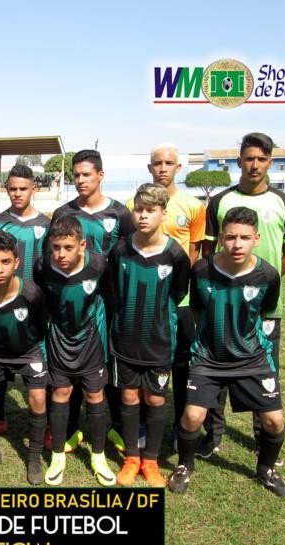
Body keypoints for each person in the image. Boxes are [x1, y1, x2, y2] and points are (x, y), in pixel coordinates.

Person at [168, 206, 285, 497]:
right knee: (192, 416)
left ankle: (266, 469)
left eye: (245, 238)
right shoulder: (202, 270)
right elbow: (197, 308)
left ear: (256, 239)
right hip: (208, 358)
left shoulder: (268, 275)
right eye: (231, 237)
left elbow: (264, 311)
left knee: (274, 421)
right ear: (221, 238)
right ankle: (185, 466)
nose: (238, 244)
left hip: (252, 357)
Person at [201, 132, 285, 460]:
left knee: (265, 371)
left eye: (261, 159)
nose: (255, 165)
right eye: (249, 159)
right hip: (222, 304)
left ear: (270, 162)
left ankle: (262, 439)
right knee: (214, 366)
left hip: (266, 310)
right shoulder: (220, 202)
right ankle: (212, 436)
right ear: (239, 161)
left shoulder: (284, 203)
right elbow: (207, 253)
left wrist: (259, 287)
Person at [52, 150, 135, 453]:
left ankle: (114, 425)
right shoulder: (63, 213)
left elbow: (129, 256)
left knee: (108, 362)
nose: (80, 180)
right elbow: (53, 256)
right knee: (71, 365)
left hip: (109, 301)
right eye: (76, 175)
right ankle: (71, 427)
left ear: (100, 175)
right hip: (73, 302)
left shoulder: (120, 214)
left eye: (86, 174)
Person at [109, 184, 190, 487]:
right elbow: (113, 292)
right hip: (125, 339)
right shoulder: (120, 250)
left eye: (150, 210)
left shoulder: (175, 254)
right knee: (129, 395)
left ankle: (152, 461)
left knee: (156, 398)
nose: (143, 216)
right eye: (139, 209)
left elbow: (177, 293)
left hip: (159, 341)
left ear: (163, 213)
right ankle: (132, 458)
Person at [33, 216, 114, 487]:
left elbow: (110, 297)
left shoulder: (99, 265)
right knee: (61, 392)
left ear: (82, 245)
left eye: (68, 247)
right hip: (59, 338)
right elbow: (42, 301)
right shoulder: (43, 266)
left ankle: (99, 457)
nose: (61, 254)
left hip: (91, 339)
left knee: (94, 394)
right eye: (56, 247)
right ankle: (58, 456)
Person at [139, 143, 206, 451]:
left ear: (179, 167)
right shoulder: (135, 203)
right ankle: (142, 424)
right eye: (157, 163)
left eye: (169, 163)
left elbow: (194, 253)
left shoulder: (193, 206)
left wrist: (178, 289)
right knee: (142, 362)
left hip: (179, 302)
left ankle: (181, 426)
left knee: (181, 366)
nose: (162, 168)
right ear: (150, 167)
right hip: (144, 302)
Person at [0, 231, 49, 485]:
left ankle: (34, 458)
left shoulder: (32, 293)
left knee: (38, 399)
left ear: (16, 262)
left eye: (5, 262)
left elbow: (42, 325)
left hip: (28, 352)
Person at [0, 165, 51, 434]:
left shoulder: (45, 225)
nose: (17, 193)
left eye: (23, 188)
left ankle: (45, 423)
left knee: (38, 365)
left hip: (34, 307)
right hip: (1, 307)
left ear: (34, 188)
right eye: (12, 188)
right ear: (6, 189)